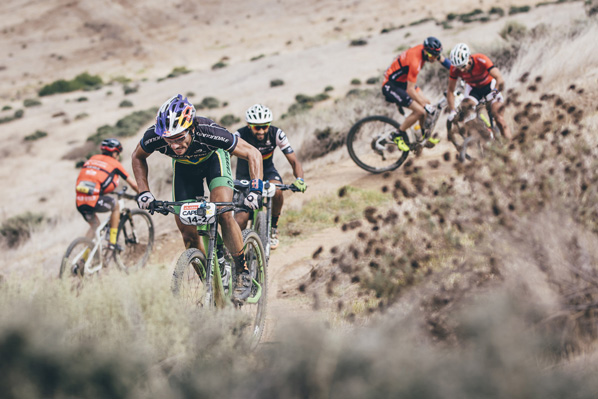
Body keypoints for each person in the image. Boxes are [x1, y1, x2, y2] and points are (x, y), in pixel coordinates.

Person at [131, 94, 263, 300]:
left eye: (179, 138)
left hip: (214, 162)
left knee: (222, 211)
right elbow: (137, 156)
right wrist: (144, 191)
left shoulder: (210, 131)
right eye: (169, 140)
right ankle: (212, 289)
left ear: (192, 128)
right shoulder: (154, 136)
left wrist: (256, 189)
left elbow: (252, 153)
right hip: (184, 171)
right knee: (188, 234)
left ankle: (242, 272)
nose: (174, 145)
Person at [233, 104, 306, 249]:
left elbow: (293, 160)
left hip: (267, 172)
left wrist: (300, 179)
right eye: (256, 127)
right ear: (249, 125)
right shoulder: (239, 135)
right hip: (245, 175)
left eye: (264, 127)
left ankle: (273, 228)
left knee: (278, 190)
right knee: (241, 219)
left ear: (269, 125)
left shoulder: (276, 133)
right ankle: (235, 252)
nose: (261, 131)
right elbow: (224, 157)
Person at [382, 36, 452, 152]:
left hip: (402, 82)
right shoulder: (415, 62)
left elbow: (445, 62)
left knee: (427, 103)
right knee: (421, 110)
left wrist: (459, 71)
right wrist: (424, 106)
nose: (434, 59)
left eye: (436, 55)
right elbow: (410, 90)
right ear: (425, 51)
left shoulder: (428, 52)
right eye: (432, 56)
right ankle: (396, 135)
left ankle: (423, 137)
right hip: (391, 85)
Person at [75, 138, 139, 258]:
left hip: (80, 201)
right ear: (115, 153)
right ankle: (112, 242)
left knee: (95, 227)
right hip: (94, 201)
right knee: (116, 205)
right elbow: (133, 184)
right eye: (118, 153)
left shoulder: (92, 159)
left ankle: (82, 260)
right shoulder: (114, 163)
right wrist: (143, 194)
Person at [446, 43, 512, 140]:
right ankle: (486, 136)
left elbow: (499, 78)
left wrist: (494, 93)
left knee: (498, 118)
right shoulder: (455, 69)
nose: (462, 70)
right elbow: (450, 91)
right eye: (459, 67)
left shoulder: (481, 59)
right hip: (474, 89)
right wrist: (452, 111)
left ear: (469, 58)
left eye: (463, 66)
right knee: (466, 114)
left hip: (489, 86)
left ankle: (510, 146)